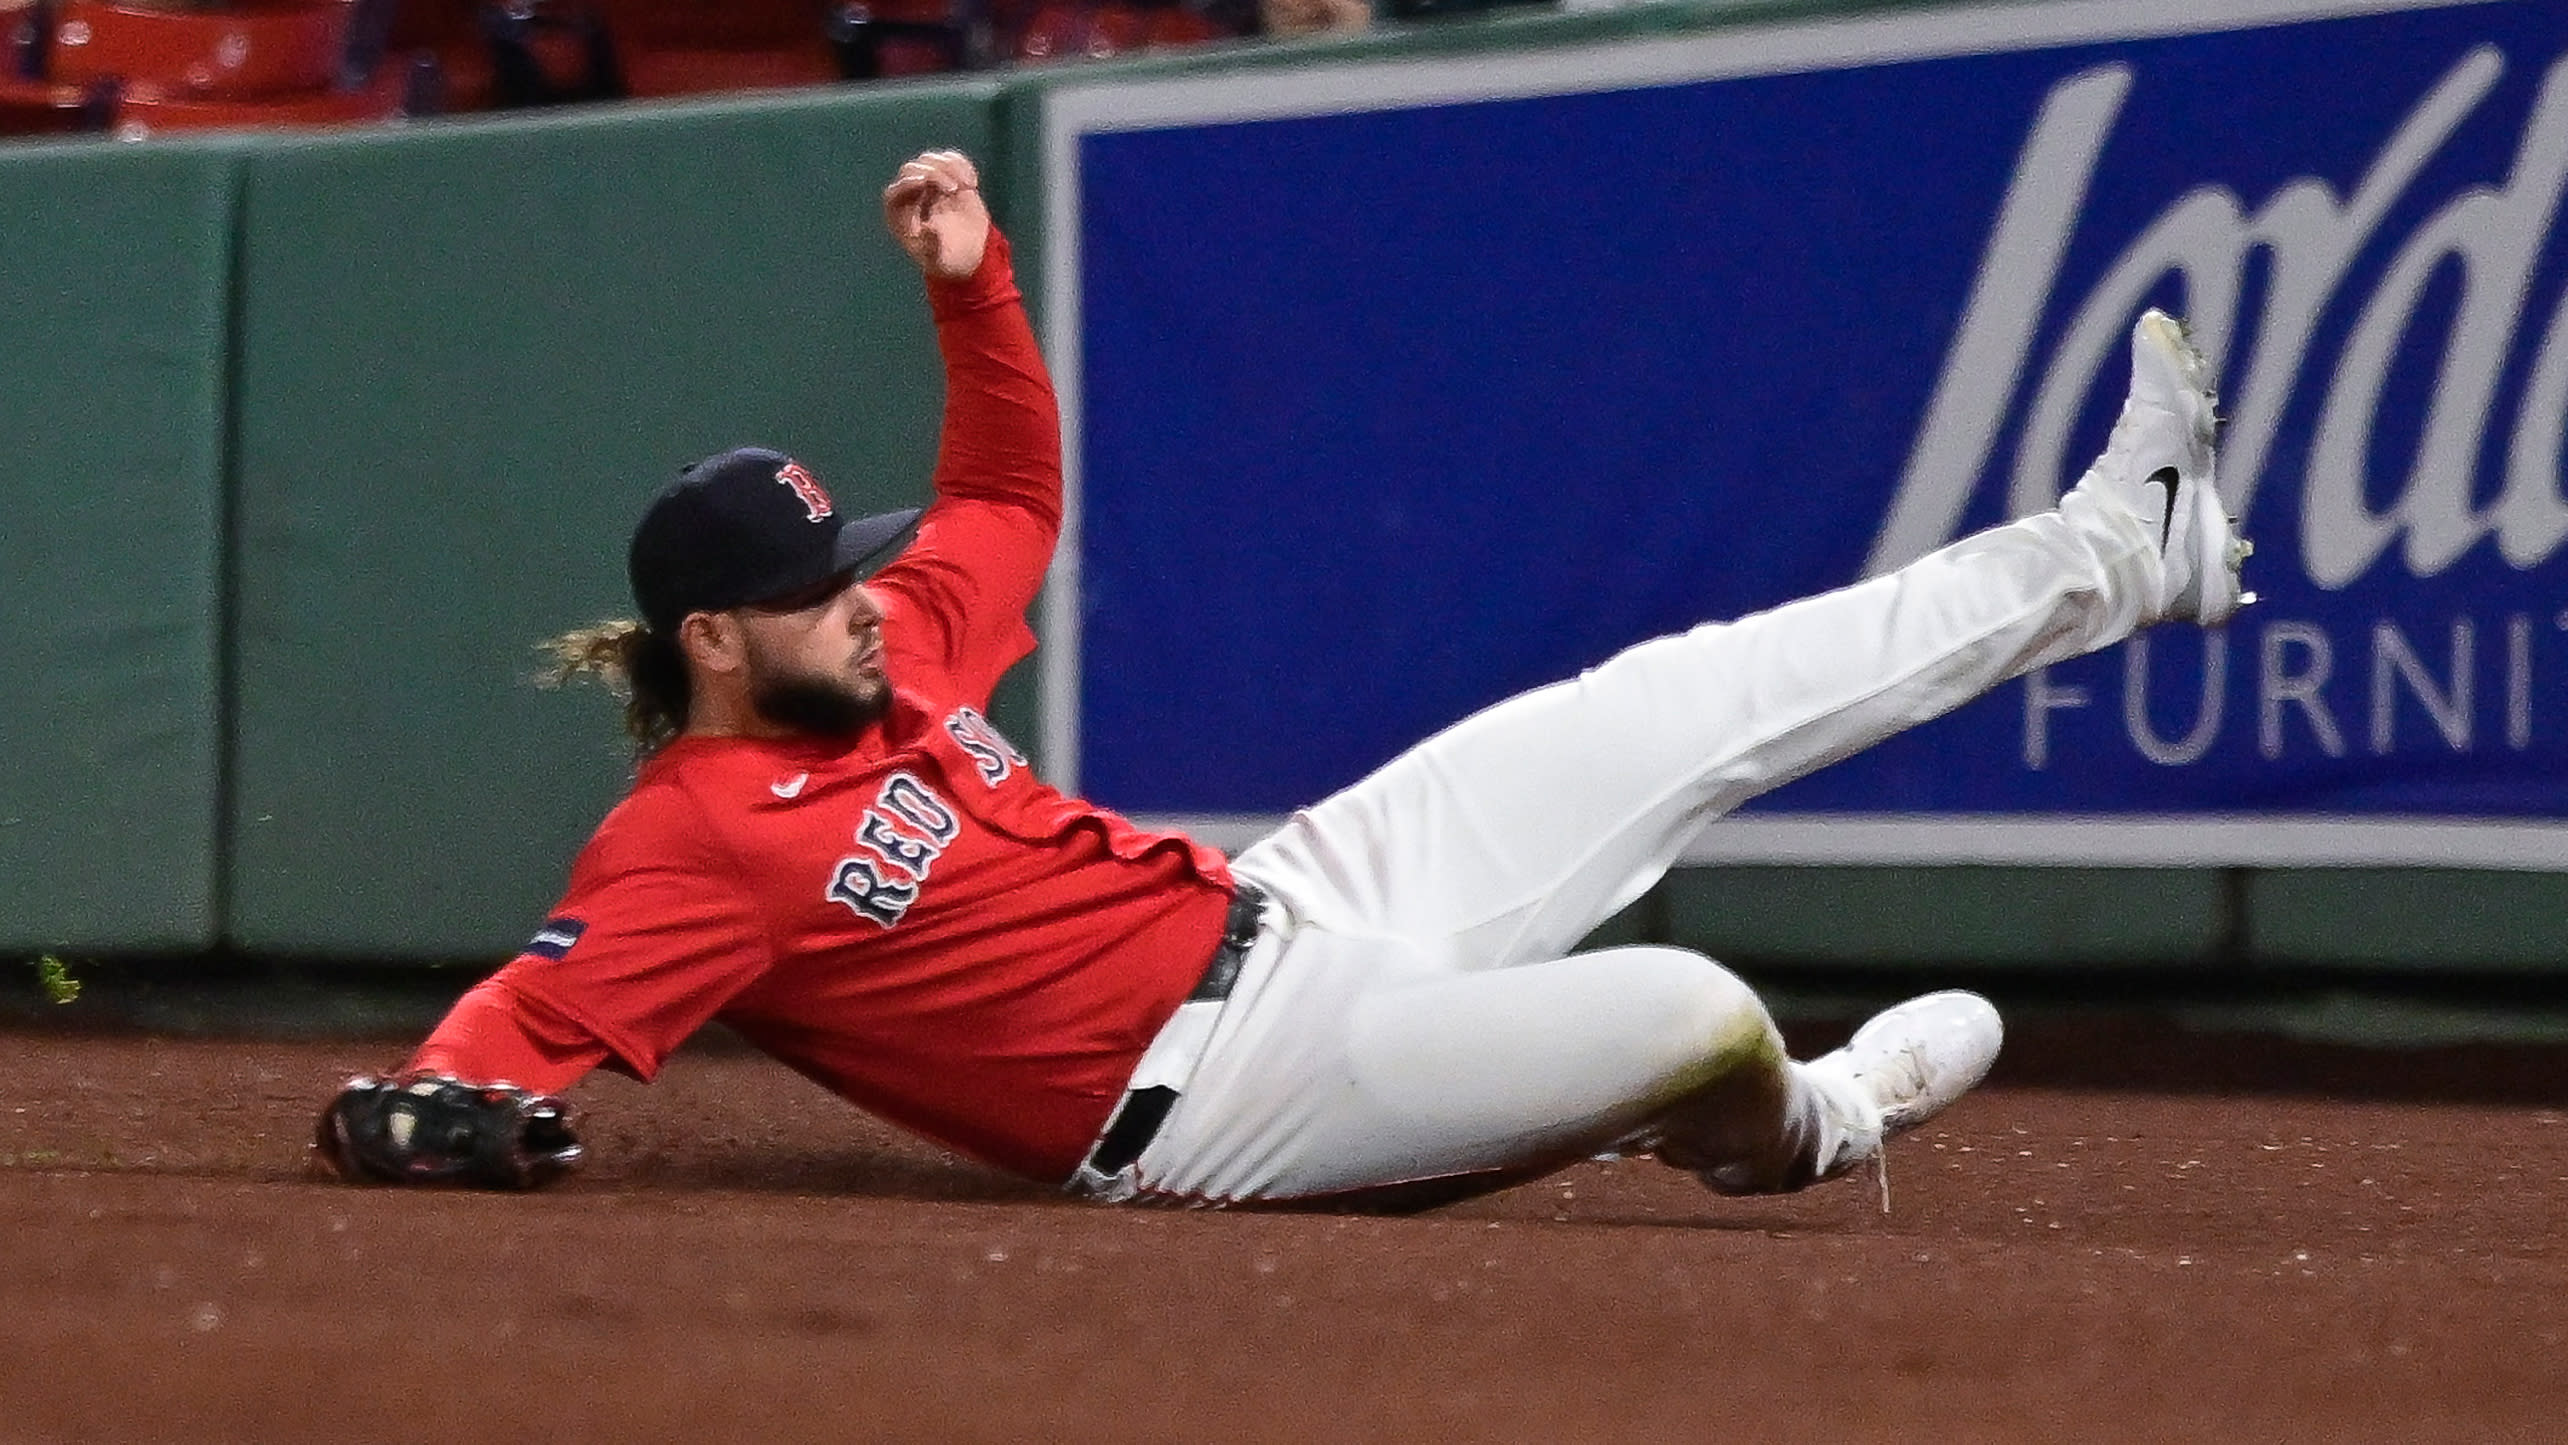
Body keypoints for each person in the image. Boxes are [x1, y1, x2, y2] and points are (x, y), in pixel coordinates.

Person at [313, 147, 2249, 1209]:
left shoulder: (893, 647)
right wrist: (426, 1102)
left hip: (1300, 902)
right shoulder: (698, 836)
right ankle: (1814, 1122)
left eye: (853, 570)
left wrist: (970, 288)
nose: (867, 603)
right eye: (818, 596)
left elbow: (1003, 492)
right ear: (715, 643)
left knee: (1691, 694)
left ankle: (2122, 549)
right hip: (1237, 1099)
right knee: (1694, 1007)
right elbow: (524, 1018)